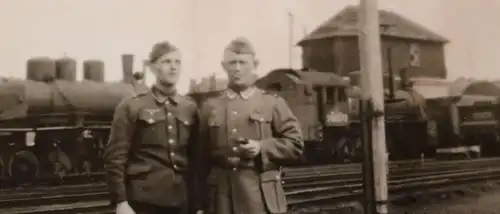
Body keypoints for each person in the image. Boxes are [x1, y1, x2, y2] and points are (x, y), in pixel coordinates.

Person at [197, 37, 304, 214]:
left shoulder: (272, 103)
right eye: (232, 63)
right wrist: (199, 205)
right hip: (219, 200)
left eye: (243, 63)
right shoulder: (210, 106)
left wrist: (261, 147)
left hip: (258, 198)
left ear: (255, 64)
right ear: (224, 66)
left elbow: (296, 144)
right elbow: (199, 160)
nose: (237, 68)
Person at [104, 41, 201, 214]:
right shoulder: (132, 105)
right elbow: (116, 156)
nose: (173, 67)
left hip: (181, 202)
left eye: (177, 62)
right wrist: (121, 201)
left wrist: (198, 204)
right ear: (152, 67)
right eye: (166, 62)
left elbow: (196, 159)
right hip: (143, 201)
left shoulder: (189, 107)